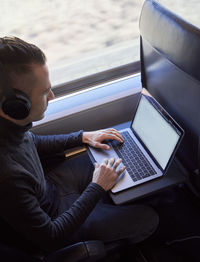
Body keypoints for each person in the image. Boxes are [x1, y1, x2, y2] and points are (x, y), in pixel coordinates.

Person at [0, 36, 159, 258]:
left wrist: (83, 137)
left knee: (114, 153)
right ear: (16, 105)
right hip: (56, 219)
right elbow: (51, 236)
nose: (52, 96)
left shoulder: (10, 127)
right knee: (149, 219)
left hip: (52, 187)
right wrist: (97, 186)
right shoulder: (6, 175)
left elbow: (30, 142)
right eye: (45, 92)